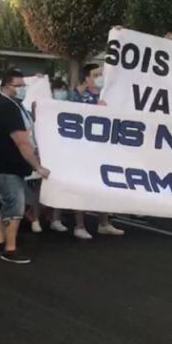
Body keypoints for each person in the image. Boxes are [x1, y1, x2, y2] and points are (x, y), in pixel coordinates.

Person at [0, 69, 50, 264]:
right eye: (18, 86)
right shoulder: (8, 108)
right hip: (5, 165)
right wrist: (38, 167)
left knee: (3, 202)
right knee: (15, 204)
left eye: (23, 86)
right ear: (5, 86)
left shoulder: (9, 105)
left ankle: (0, 241)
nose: (21, 90)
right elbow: (21, 141)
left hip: (0, 164)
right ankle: (10, 249)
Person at [48, 63, 124, 239]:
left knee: (105, 185)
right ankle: (79, 225)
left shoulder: (107, 95)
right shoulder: (76, 97)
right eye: (96, 75)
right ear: (87, 78)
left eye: (100, 74)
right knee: (80, 187)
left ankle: (104, 223)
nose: (100, 77)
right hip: (80, 152)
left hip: (102, 151)